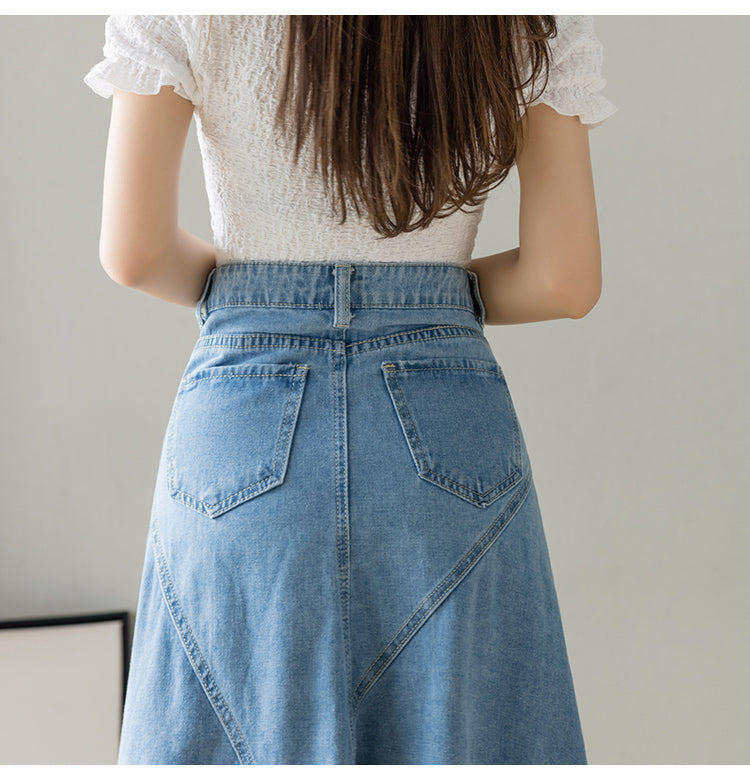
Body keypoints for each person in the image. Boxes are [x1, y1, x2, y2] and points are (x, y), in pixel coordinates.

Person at [83, 15, 616, 765]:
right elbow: (565, 280)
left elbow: (134, 252)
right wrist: (416, 300)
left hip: (242, 425)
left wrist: (260, 297)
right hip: (447, 424)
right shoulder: (529, 19)